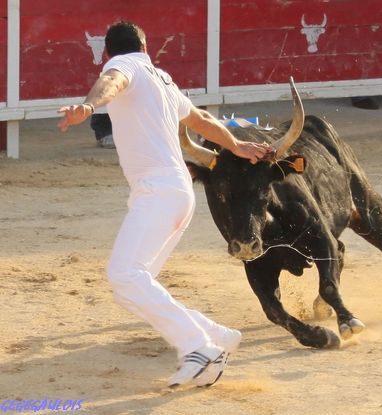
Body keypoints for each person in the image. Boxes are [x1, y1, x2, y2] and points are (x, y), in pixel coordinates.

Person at [57, 21, 271, 388]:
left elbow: (112, 83)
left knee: (125, 277)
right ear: (146, 45)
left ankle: (198, 348)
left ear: (108, 54)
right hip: (175, 192)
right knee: (133, 287)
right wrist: (236, 145)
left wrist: (89, 106)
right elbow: (201, 119)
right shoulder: (163, 78)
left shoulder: (123, 68)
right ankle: (214, 334)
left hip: (158, 191)